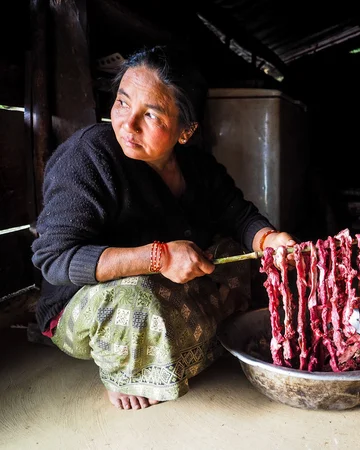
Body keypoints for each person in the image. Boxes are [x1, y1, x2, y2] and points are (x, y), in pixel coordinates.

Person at [31, 45, 295, 410]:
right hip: (82, 300)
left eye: (151, 115)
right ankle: (124, 370)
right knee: (139, 296)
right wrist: (159, 257)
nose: (127, 123)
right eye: (122, 103)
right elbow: (55, 260)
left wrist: (269, 238)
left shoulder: (198, 166)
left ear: (185, 131)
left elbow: (238, 214)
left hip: (164, 285)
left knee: (237, 256)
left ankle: (192, 340)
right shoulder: (88, 157)